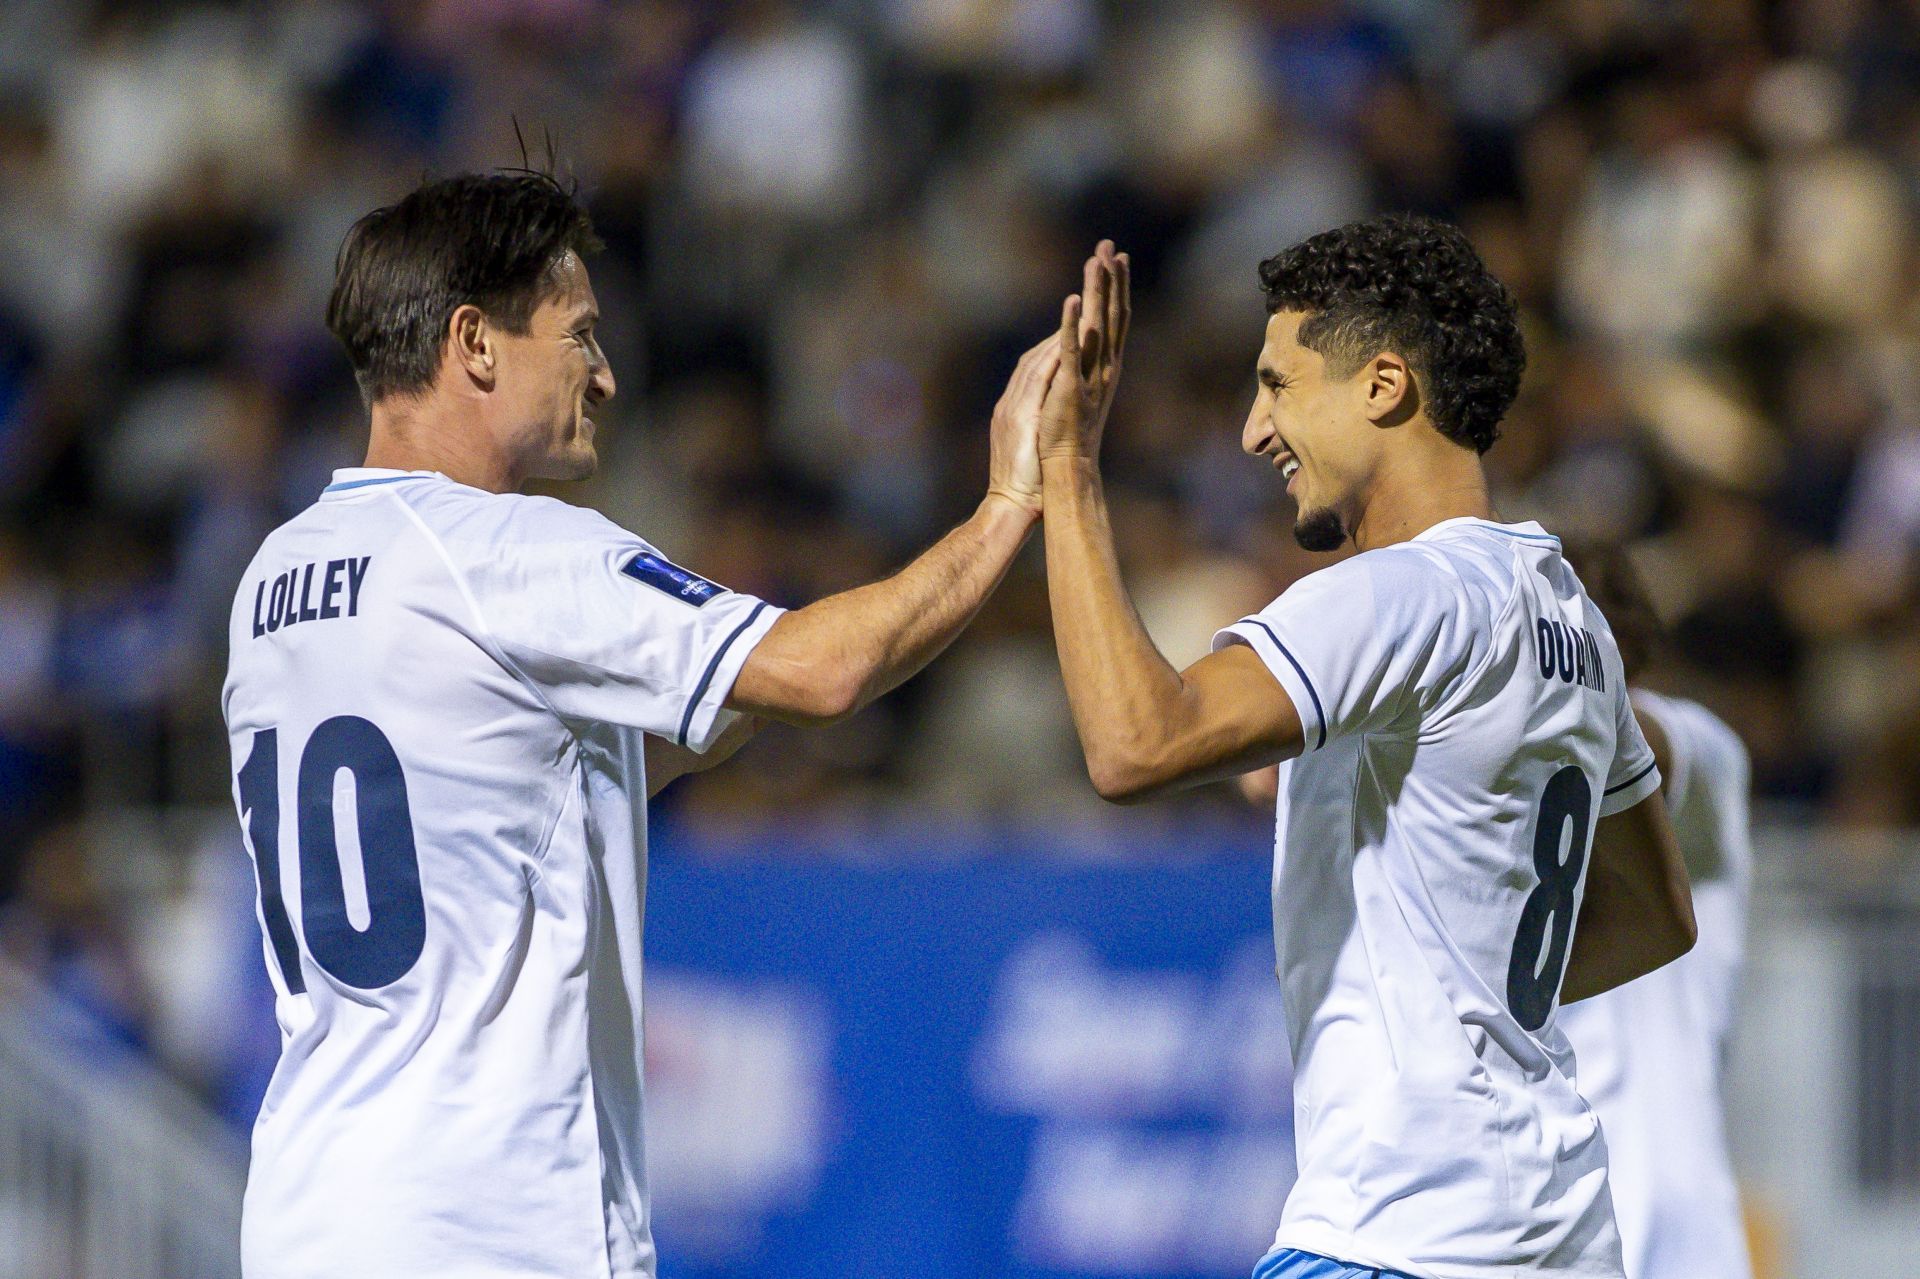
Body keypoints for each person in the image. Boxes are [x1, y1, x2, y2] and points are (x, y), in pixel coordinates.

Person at [221, 170, 1056, 1279]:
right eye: (577, 336)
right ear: (475, 343)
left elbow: (540, 789)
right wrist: (1009, 501)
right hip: (488, 1222)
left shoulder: (271, 579)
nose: (605, 375)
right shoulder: (509, 551)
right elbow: (826, 672)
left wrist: (721, 683)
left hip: (308, 1214)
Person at [1027, 219, 1697, 1279]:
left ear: (1383, 383)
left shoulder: (1398, 594)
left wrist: (1065, 473)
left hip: (1400, 1234)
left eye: (1279, 384)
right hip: (1564, 1231)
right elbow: (1653, 917)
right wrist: (1465, 985)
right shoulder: (1567, 612)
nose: (1254, 430)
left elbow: (1132, 744)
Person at [1556, 543, 1756, 1279]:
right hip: (1543, 1226)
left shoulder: (1701, 743)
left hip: (1672, 1228)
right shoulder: (1496, 796)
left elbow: (1641, 745)